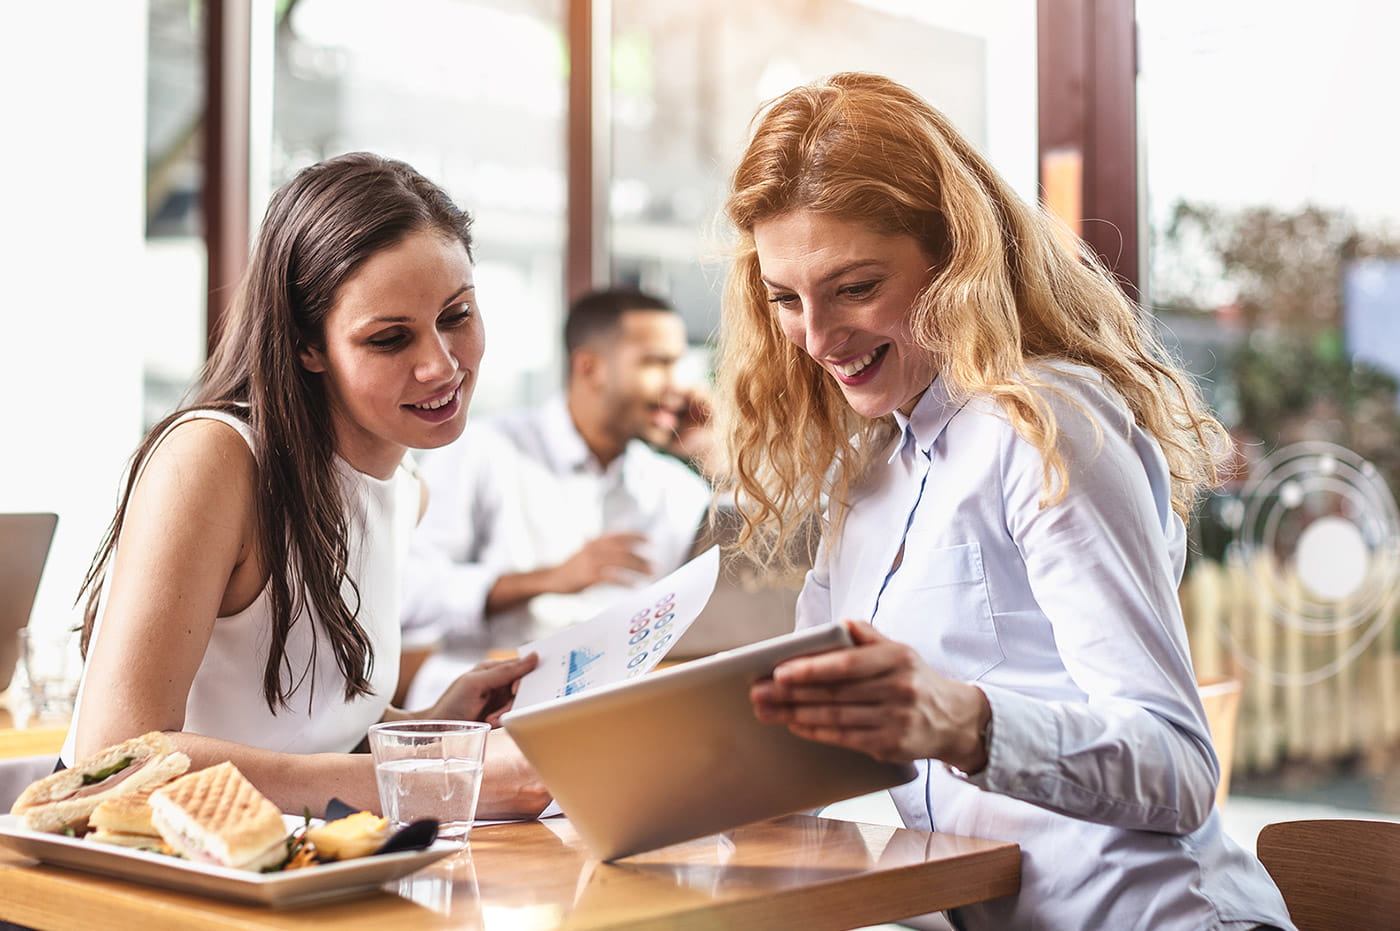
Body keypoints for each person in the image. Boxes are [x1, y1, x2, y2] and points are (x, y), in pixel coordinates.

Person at [714, 73, 1295, 930]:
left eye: (855, 286)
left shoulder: (1043, 421)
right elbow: (815, 736)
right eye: (786, 300)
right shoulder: (873, 470)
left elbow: (1178, 768)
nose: (817, 337)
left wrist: (964, 721)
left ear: (954, 258)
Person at [63, 152, 549, 821]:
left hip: (280, 868)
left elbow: (291, 724)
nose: (440, 365)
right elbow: (112, 762)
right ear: (307, 346)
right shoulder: (215, 459)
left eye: (457, 314)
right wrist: (425, 778)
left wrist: (431, 727)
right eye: (389, 339)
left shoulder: (406, 491)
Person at [400, 288, 713, 708]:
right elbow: (409, 594)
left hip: (615, 707)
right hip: (480, 705)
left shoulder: (678, 488)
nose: (679, 385)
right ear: (590, 367)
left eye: (680, 364)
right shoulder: (484, 449)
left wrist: (718, 456)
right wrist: (550, 579)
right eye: (657, 363)